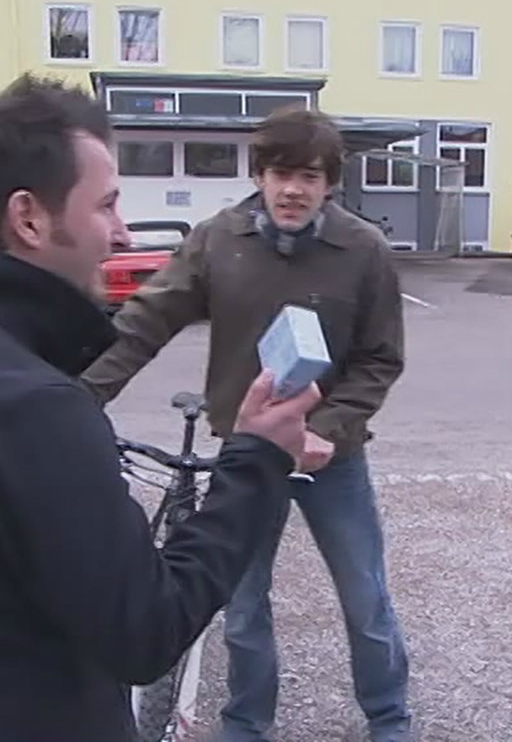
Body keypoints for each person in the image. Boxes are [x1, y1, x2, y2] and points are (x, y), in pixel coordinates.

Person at [0, 74, 320, 742]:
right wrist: (257, 459)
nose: (121, 233)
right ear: (29, 217)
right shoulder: (39, 410)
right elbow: (144, 631)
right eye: (106, 205)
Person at [81, 106, 411, 742]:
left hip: (329, 455)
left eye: (309, 176)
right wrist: (77, 399)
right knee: (242, 602)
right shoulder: (218, 239)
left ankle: (390, 717)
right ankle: (245, 722)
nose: (293, 190)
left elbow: (379, 359)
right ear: (259, 175)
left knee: (364, 597)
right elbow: (145, 322)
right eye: (281, 173)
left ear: (330, 183)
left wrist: (329, 429)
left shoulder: (363, 250)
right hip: (247, 452)